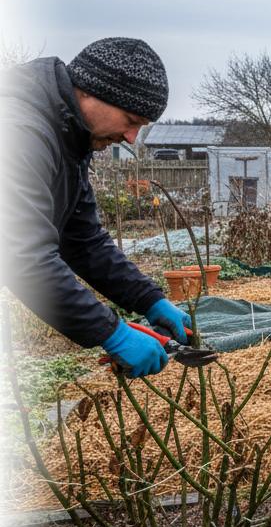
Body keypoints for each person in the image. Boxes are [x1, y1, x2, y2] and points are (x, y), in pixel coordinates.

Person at [1, 37, 193, 377]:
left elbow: (83, 238)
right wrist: (111, 332)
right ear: (91, 91)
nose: (132, 138)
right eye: (130, 120)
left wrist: (148, 298)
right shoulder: (20, 132)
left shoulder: (68, 137)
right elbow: (22, 256)